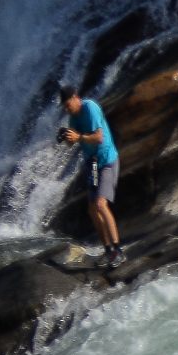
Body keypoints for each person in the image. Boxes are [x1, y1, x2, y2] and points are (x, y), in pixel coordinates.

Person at [56, 83, 121, 267]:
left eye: (69, 105)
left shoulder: (90, 107)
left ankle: (118, 250)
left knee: (101, 204)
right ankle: (108, 251)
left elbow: (97, 137)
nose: (67, 109)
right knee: (92, 209)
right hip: (92, 164)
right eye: (65, 107)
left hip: (107, 160)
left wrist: (79, 137)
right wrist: (64, 137)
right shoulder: (73, 117)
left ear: (76, 98)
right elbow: (72, 143)